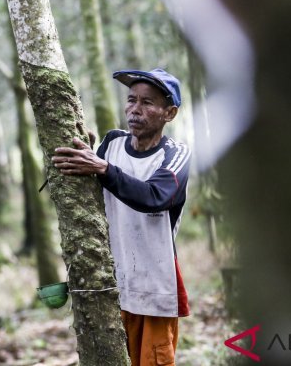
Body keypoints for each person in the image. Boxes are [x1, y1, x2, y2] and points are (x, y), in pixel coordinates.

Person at [52, 68, 191, 366]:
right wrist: (86, 151)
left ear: (169, 113)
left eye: (147, 103)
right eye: (131, 100)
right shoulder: (112, 144)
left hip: (154, 289)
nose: (135, 110)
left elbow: (155, 197)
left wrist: (102, 168)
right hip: (109, 286)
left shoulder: (175, 154)